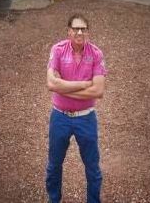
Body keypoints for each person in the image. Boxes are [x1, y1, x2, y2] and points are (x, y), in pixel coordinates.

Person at [45, 13, 107, 203]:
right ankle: (53, 200)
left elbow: (98, 91)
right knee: (54, 165)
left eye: (84, 29)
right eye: (76, 29)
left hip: (86, 118)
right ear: (69, 31)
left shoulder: (96, 53)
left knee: (92, 168)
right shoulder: (57, 50)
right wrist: (83, 85)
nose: (80, 32)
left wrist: (63, 87)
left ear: (88, 32)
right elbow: (51, 83)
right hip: (60, 117)